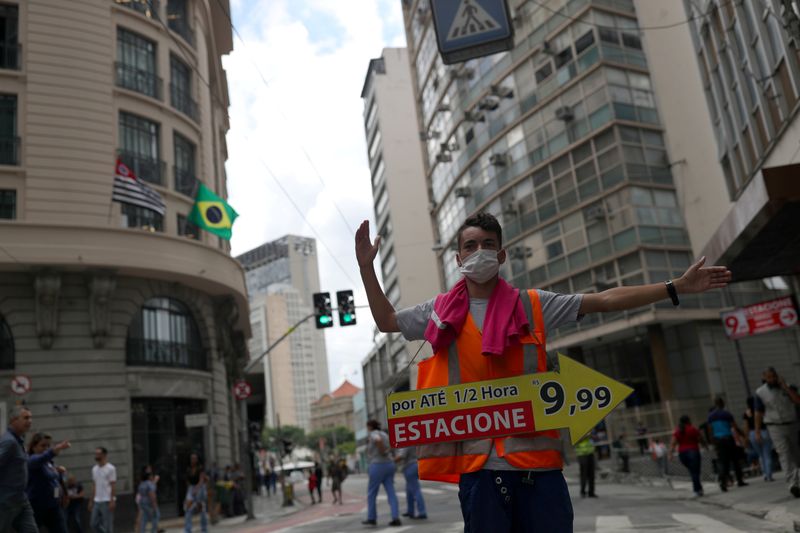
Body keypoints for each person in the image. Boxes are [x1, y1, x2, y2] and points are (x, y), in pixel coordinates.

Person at [356, 213, 730, 531]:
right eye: (470, 245)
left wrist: (674, 288)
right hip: (479, 471)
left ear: (501, 255)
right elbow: (387, 320)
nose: (479, 251)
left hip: (539, 472)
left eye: (488, 244)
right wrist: (366, 268)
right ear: (458, 257)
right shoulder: (438, 313)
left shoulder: (534, 305)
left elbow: (604, 300)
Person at [754, 367, 800, 498]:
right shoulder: (760, 392)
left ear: (777, 376)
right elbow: (758, 413)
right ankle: (793, 484)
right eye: (769, 377)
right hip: (774, 426)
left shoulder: (790, 387)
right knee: (784, 454)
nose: (772, 379)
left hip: (791, 423)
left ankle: (797, 479)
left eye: (774, 377)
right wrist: (757, 431)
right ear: (765, 378)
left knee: (796, 455)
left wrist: (785, 387)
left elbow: (797, 401)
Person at [0, 406, 38, 533]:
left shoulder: (18, 440)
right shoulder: (9, 442)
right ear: (13, 420)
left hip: (21, 500)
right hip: (6, 502)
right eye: (26, 418)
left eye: (30, 417)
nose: (30, 421)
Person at [26, 432, 71, 533]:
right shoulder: (32, 460)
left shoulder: (49, 462)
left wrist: (65, 494)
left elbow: (55, 479)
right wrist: (55, 450)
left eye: (48, 446)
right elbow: (41, 459)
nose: (46, 448)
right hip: (37, 506)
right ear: (33, 447)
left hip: (53, 505)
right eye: (42, 446)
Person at [361, 420, 401, 527]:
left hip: (377, 465)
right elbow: (392, 446)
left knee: (372, 493)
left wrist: (382, 451)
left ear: (369, 426)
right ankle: (395, 516)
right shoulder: (385, 434)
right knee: (391, 492)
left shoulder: (374, 434)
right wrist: (387, 453)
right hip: (389, 464)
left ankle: (371, 518)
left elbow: (377, 440)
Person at [707, 397, 747, 491]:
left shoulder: (710, 416)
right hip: (728, 439)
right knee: (735, 460)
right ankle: (740, 480)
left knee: (723, 462)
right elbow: (734, 426)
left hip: (718, 441)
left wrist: (712, 441)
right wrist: (743, 435)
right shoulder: (727, 414)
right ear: (723, 404)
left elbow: (710, 430)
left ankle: (723, 482)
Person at [670, 416, 705, 497]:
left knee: (693, 472)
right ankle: (697, 490)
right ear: (688, 421)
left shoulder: (677, 431)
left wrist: (670, 454)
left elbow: (673, 443)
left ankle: (699, 489)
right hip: (693, 452)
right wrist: (705, 445)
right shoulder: (692, 429)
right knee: (695, 472)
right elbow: (700, 439)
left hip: (682, 454)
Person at [89, 446, 116, 533]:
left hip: (106, 500)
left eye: (99, 454)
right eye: (96, 454)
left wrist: (112, 500)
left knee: (108, 526)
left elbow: (113, 485)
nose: (96, 456)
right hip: (97, 500)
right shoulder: (94, 469)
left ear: (104, 455)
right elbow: (94, 485)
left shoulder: (111, 468)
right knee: (93, 524)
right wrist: (91, 500)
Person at [394, 445, 427, 519]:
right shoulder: (413, 442)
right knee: (409, 491)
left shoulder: (406, 444)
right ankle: (410, 511)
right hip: (416, 464)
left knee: (415, 490)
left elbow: (402, 455)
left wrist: (391, 461)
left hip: (410, 466)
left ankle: (422, 512)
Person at [744, 397, 772, 480]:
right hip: (764, 431)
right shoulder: (761, 410)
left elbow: (746, 426)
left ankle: (764, 473)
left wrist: (746, 437)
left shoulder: (747, 413)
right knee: (767, 454)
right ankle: (769, 474)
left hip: (752, 433)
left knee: (761, 455)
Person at [137, 468, 158, 533]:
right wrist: (154, 505)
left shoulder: (141, 484)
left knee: (144, 518)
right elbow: (152, 495)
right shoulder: (149, 484)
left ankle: (142, 531)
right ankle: (153, 531)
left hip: (142, 502)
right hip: (149, 503)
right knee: (155, 516)